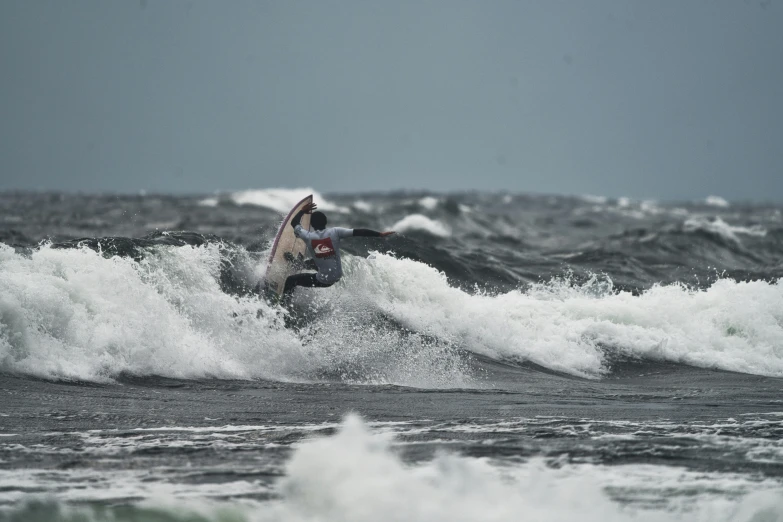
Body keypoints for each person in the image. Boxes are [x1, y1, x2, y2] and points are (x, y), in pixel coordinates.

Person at [282, 202, 395, 300]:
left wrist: (302, 211)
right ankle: (298, 265)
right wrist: (379, 234)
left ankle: (283, 307)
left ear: (311, 225)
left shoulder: (307, 236)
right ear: (325, 222)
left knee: (291, 280)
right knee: (313, 262)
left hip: (323, 280)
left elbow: (294, 222)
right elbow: (359, 231)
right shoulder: (336, 232)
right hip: (337, 276)